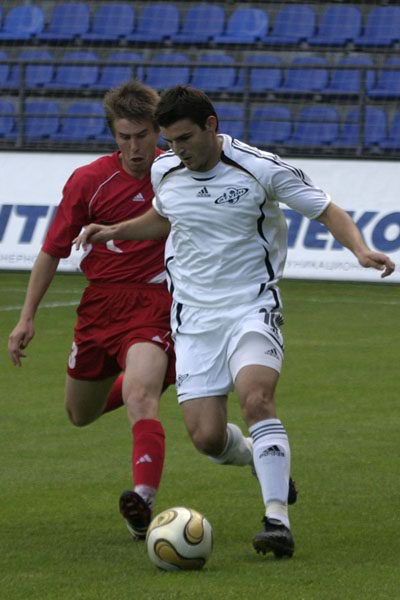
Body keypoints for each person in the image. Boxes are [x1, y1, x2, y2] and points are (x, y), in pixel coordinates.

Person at [73, 85, 395, 559]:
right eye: (170, 141)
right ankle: (262, 461)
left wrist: (361, 250)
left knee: (256, 398)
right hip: (193, 319)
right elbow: (165, 216)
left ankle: (276, 519)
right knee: (207, 437)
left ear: (211, 125)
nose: (176, 150)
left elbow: (326, 210)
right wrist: (114, 231)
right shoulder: (166, 169)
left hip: (251, 305)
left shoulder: (260, 168)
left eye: (184, 139)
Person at [7, 80, 176, 541]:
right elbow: (52, 250)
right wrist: (27, 316)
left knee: (140, 397)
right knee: (80, 413)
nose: (135, 147)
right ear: (113, 135)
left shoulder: (176, 174)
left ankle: (142, 501)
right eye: (125, 137)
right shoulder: (88, 180)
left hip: (155, 302)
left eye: (143, 135)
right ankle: (155, 374)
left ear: (157, 131)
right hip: (100, 305)